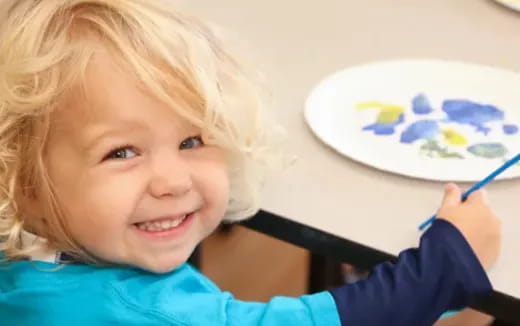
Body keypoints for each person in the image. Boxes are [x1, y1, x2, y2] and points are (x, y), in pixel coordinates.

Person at [0, 1, 500, 325]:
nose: (173, 181)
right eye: (121, 152)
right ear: (25, 184)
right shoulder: (136, 311)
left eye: (193, 139)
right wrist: (447, 262)